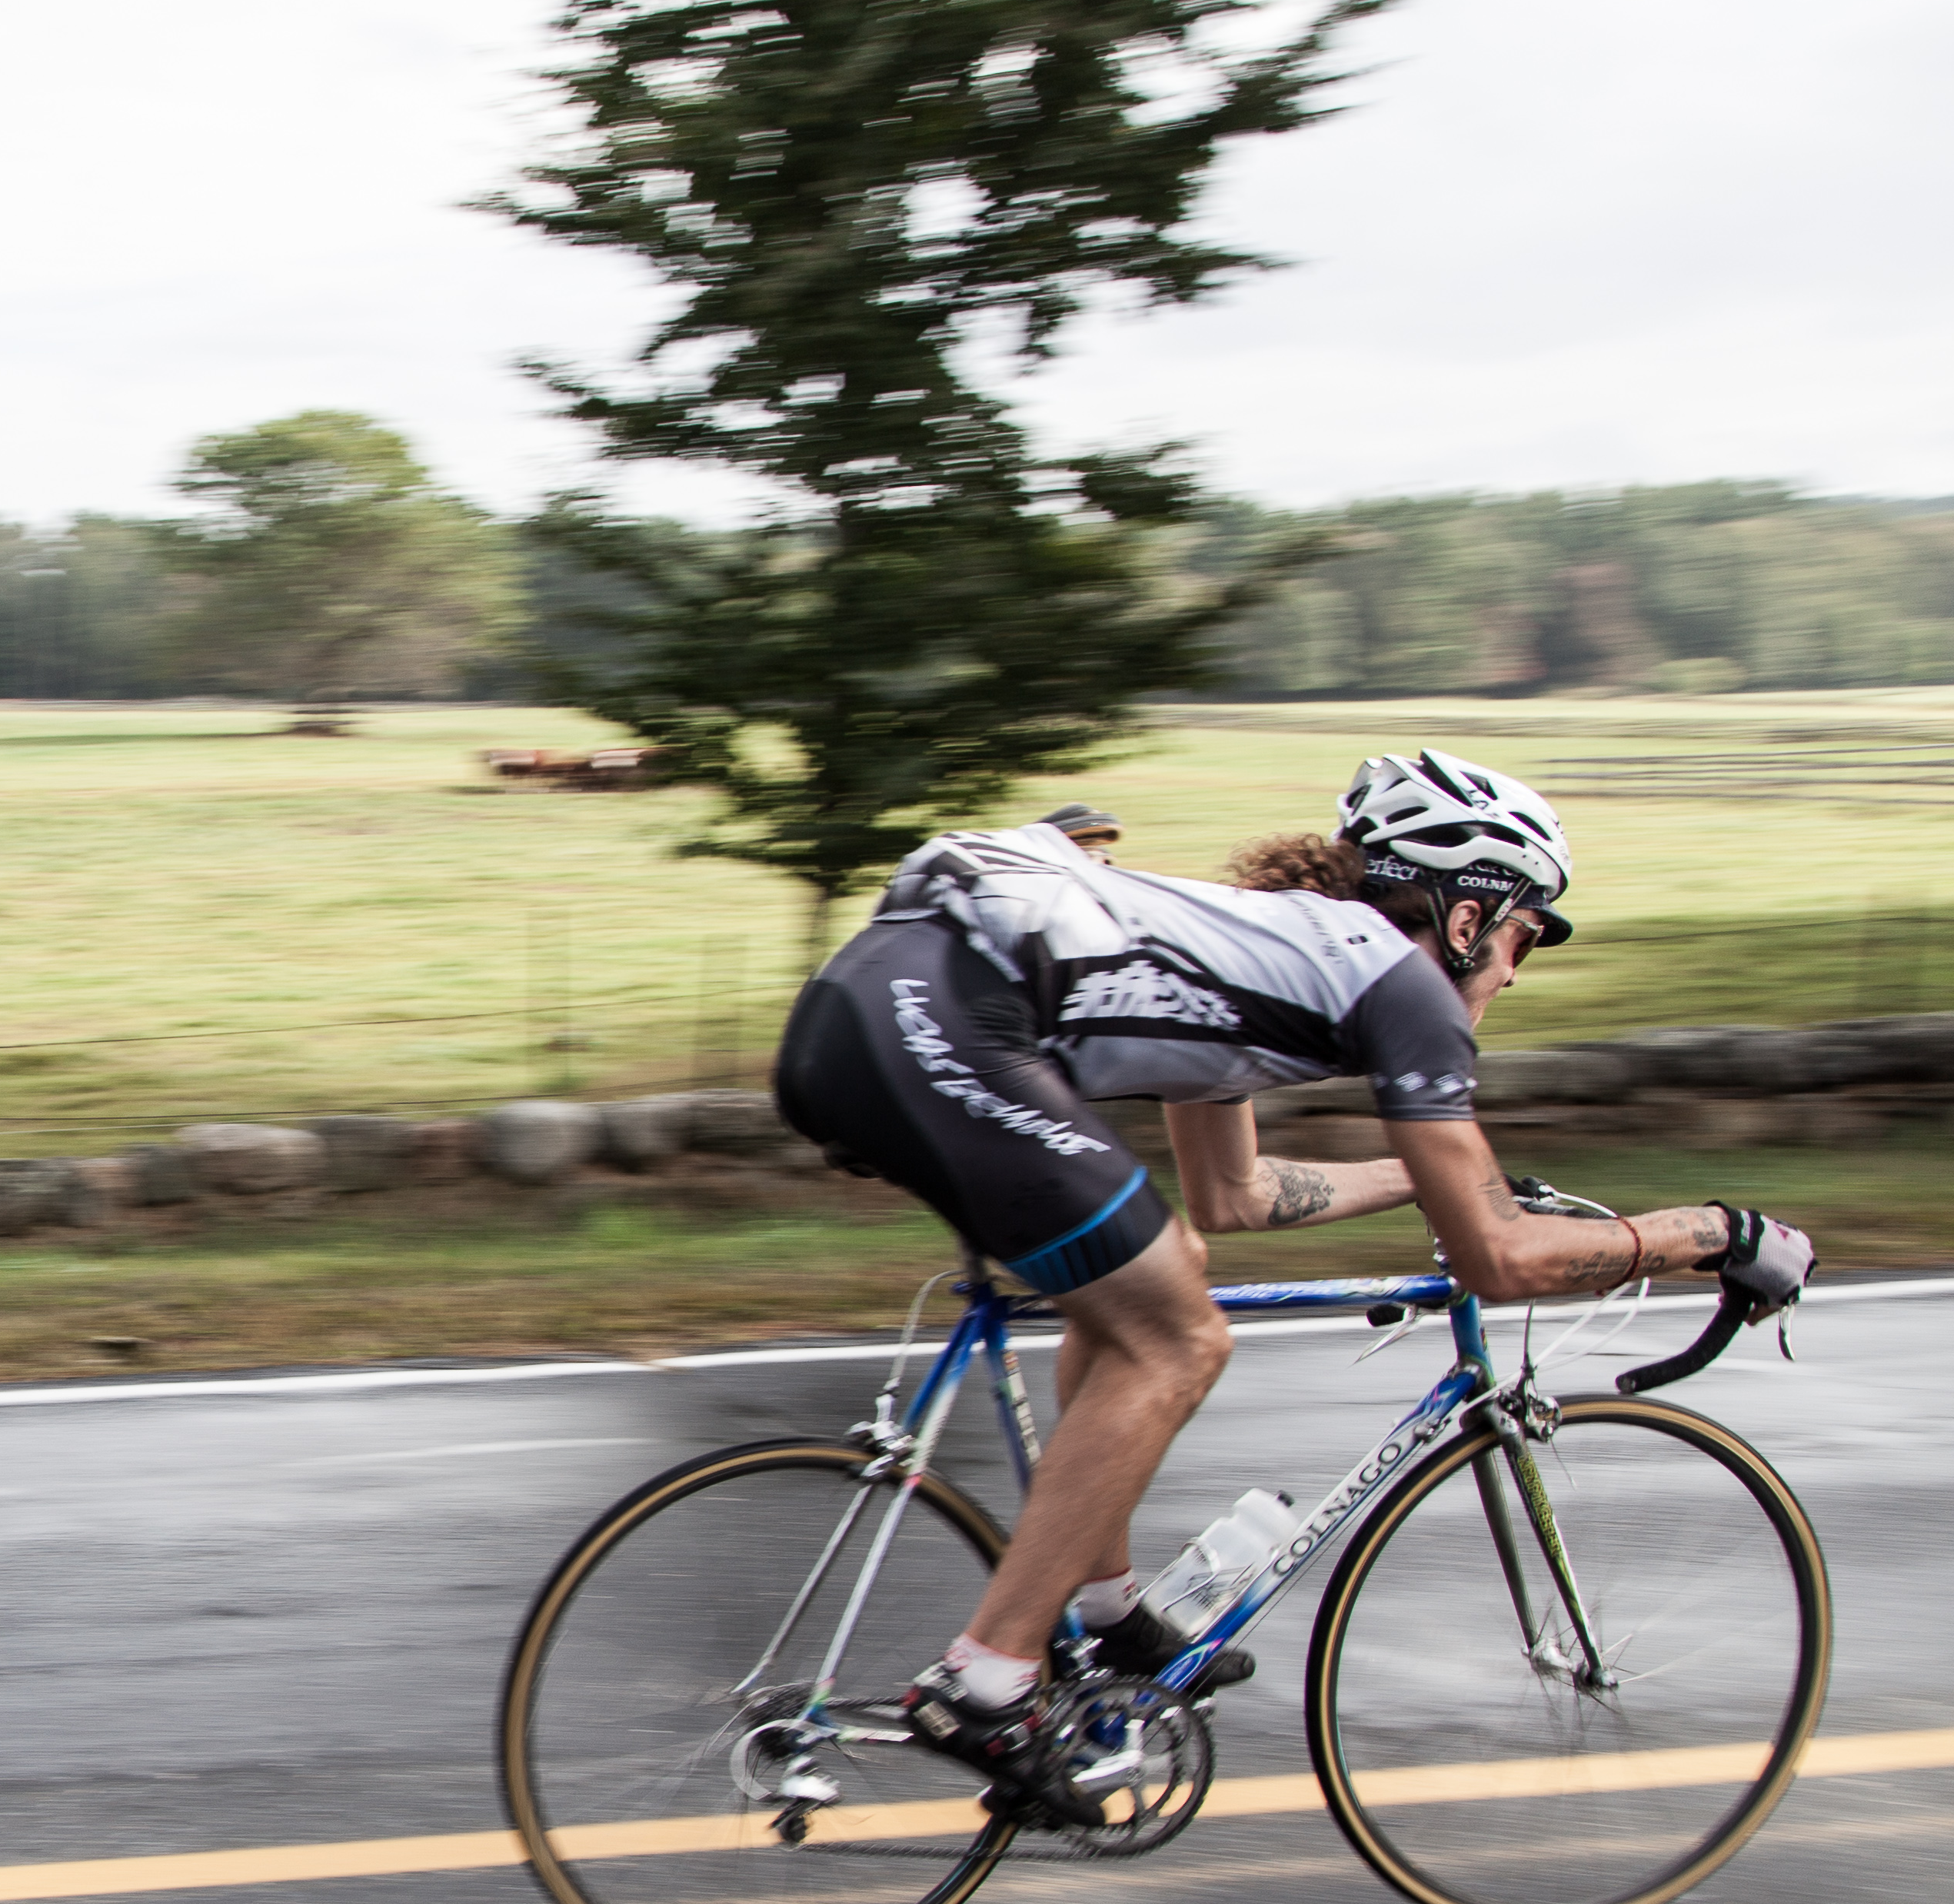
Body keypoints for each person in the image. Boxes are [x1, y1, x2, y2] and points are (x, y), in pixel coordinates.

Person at [772, 749, 1816, 1826]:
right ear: (1468, 916)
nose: (1514, 970)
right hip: (936, 1031)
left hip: (863, 1018)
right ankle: (988, 1685)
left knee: (1158, 1272)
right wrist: (1708, 1233)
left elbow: (1235, 1193)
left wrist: (1429, 1178)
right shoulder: (1404, 988)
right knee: (1178, 1340)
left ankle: (1108, 1614)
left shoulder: (1263, 951)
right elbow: (1498, 1262)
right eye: (1524, 935)